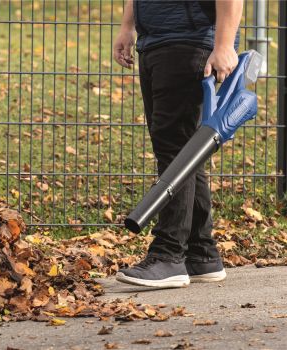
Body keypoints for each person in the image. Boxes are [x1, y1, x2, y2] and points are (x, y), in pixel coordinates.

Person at [113, 0, 243, 288]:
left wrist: (223, 44)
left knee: (175, 152)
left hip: (190, 42)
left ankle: (168, 255)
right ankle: (201, 254)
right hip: (156, 42)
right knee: (184, 151)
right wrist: (127, 26)